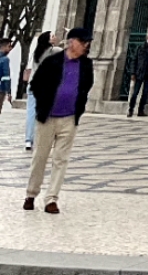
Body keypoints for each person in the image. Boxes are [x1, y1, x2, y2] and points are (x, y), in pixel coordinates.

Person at [21, 27, 93, 214]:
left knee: (61, 159)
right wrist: (43, 104)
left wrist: (79, 107)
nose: (86, 45)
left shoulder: (86, 65)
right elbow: (36, 84)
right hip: (47, 117)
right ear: (72, 42)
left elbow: (87, 86)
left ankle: (51, 198)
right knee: (40, 157)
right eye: (83, 41)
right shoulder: (53, 61)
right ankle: (31, 193)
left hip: (69, 118)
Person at [22, 32, 56, 152]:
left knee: (31, 114)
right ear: (47, 39)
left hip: (32, 85)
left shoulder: (37, 51)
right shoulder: (52, 51)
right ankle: (43, 140)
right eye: (52, 36)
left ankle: (28, 140)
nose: (55, 38)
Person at [126, 31, 148, 116]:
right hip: (139, 73)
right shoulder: (140, 47)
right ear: (146, 37)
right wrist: (133, 73)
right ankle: (131, 109)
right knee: (135, 93)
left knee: (145, 93)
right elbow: (134, 60)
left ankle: (140, 110)